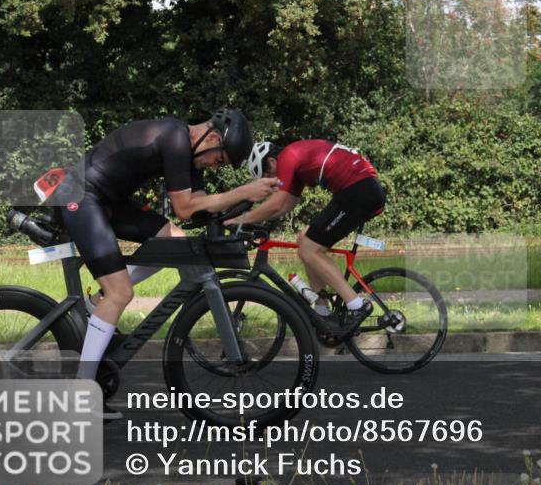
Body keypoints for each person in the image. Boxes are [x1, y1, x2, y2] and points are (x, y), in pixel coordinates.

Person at [46, 109, 276, 387]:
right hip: (81, 195)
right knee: (121, 292)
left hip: (109, 200)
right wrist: (242, 191)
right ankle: (83, 387)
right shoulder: (175, 139)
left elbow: (202, 208)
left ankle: (95, 305)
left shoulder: (193, 156)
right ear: (213, 138)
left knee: (175, 241)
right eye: (219, 160)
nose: (215, 167)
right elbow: (184, 208)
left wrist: (242, 211)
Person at [228, 140, 386, 333]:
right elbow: (286, 206)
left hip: (358, 190)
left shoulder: (288, 155)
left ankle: (357, 305)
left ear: (271, 161)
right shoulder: (297, 165)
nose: (271, 181)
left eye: (268, 175)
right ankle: (322, 311)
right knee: (304, 239)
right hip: (360, 188)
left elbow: (276, 204)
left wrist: (241, 220)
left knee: (309, 250)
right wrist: (257, 221)